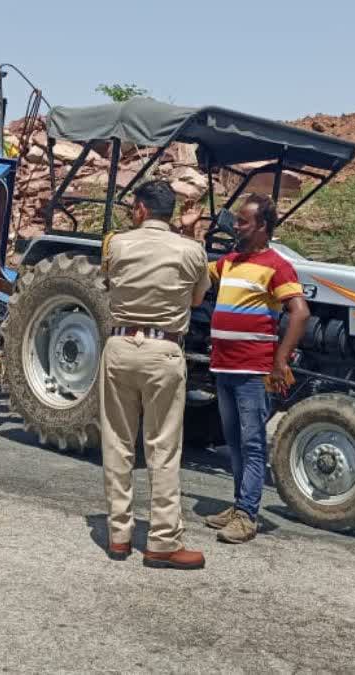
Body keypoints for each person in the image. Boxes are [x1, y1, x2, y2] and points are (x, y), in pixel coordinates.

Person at [101, 180, 211, 570]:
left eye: (133, 207)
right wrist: (189, 233)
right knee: (162, 447)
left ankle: (119, 535)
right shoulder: (193, 251)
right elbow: (197, 299)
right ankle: (162, 541)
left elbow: (111, 283)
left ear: (143, 210)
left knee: (117, 442)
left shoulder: (116, 244)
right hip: (165, 351)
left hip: (118, 347)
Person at [204, 194, 310, 544]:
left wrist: (280, 361)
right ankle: (238, 506)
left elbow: (300, 312)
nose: (236, 226)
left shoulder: (276, 265)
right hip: (224, 366)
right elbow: (197, 272)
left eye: (243, 221)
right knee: (234, 441)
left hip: (253, 370)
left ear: (262, 226)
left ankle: (248, 515)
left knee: (251, 442)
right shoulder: (230, 262)